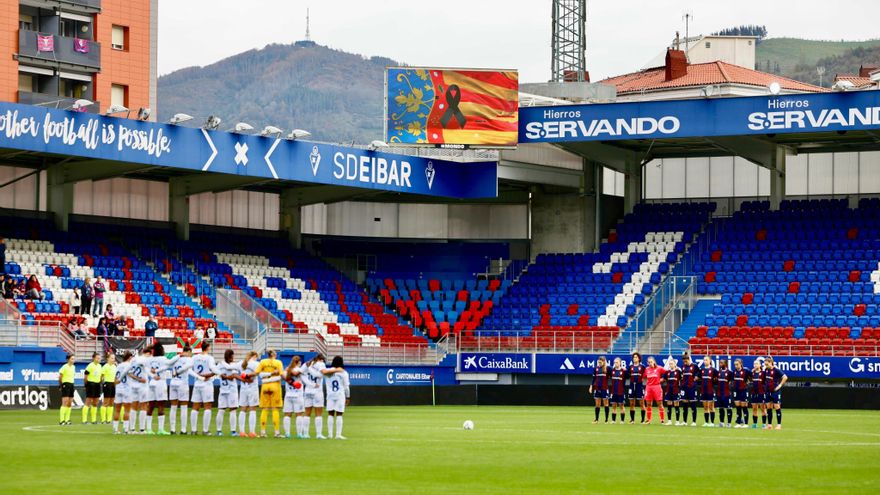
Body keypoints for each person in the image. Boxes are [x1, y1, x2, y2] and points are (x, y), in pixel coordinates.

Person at [190, 341, 218, 435]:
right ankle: (205, 430)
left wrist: (198, 375)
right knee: (207, 407)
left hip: (197, 383)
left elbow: (189, 368)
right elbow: (213, 369)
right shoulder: (210, 358)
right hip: (207, 384)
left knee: (195, 407)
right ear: (208, 347)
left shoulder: (195, 357)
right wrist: (216, 372)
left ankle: (193, 430)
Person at [255, 349, 284, 438]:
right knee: (275, 409)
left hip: (265, 386)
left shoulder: (263, 362)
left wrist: (267, 377)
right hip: (275, 386)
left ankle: (263, 432)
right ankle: (276, 432)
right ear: (274, 354)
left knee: (265, 409)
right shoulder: (278, 362)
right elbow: (281, 375)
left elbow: (257, 373)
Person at [146, 342, 173, 435]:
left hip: (152, 382)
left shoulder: (150, 359)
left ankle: (148, 429)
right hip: (160, 382)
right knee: (161, 406)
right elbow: (170, 364)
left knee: (150, 406)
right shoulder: (163, 359)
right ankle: (160, 429)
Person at [168, 345, 194, 434]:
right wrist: (178, 372)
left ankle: (172, 429)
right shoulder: (189, 359)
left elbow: (168, 363)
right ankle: (183, 429)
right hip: (182, 384)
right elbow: (187, 367)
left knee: (173, 407)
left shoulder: (176, 358)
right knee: (184, 406)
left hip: (173, 383)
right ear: (189, 352)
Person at [127, 346, 153, 434]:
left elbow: (128, 373)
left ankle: (132, 429)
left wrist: (136, 378)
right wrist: (140, 379)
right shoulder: (145, 360)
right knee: (143, 406)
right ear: (148, 353)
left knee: (133, 406)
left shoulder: (133, 360)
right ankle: (142, 429)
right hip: (142, 386)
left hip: (133, 385)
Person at [216, 349, 240, 436]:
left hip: (223, 389)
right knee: (233, 410)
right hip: (231, 390)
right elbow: (232, 377)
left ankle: (219, 431)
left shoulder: (220, 364)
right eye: (233, 355)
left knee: (221, 410)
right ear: (231, 356)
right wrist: (226, 377)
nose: (234, 357)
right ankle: (233, 431)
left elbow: (215, 372)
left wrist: (222, 376)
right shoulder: (233, 365)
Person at [325, 356, 350, 440]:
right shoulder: (344, 373)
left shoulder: (328, 372)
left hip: (330, 395)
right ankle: (338, 435)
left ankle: (330, 434)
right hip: (340, 395)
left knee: (330, 414)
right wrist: (348, 397)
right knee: (339, 414)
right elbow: (346, 387)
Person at [238, 351, 260, 438]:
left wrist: (243, 378)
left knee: (243, 409)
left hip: (243, 389)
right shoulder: (256, 364)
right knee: (252, 410)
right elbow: (258, 373)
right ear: (254, 356)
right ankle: (252, 432)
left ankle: (242, 432)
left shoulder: (241, 363)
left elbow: (234, 372)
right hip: (252, 388)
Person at [282, 356, 305, 438]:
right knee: (299, 414)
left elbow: (283, 376)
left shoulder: (286, 370)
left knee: (287, 415)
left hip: (288, 395)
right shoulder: (299, 370)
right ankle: (299, 434)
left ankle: (287, 433)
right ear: (298, 362)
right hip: (298, 395)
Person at [763, 357, 788, 430]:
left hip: (775, 391)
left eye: (767, 364)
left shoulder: (776, 370)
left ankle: (779, 425)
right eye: (765, 364)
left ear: (771, 363)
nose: (766, 365)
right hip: (768, 391)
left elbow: (785, 377)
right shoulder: (766, 370)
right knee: (769, 408)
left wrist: (779, 385)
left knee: (777, 407)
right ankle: (769, 425)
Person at [113, 352, 133, 434]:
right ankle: (125, 429)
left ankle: (115, 429)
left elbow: (115, 379)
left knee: (117, 410)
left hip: (118, 389)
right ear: (129, 357)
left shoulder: (118, 366)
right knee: (127, 410)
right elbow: (131, 376)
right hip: (127, 389)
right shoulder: (129, 366)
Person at [643, 356, 666, 425]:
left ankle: (662, 420)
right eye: (649, 362)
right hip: (649, 387)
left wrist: (662, 379)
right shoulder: (647, 369)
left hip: (657, 387)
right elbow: (643, 376)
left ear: (654, 361)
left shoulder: (659, 368)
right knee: (648, 404)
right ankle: (648, 420)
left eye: (651, 362)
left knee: (659, 403)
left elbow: (667, 373)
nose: (650, 363)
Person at [589, 356, 611, 424]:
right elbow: (593, 379)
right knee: (597, 404)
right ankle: (596, 419)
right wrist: (591, 386)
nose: (599, 363)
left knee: (606, 404)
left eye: (600, 362)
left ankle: (606, 420)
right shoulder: (596, 368)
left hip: (605, 389)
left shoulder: (608, 368)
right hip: (597, 388)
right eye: (598, 362)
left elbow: (613, 374)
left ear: (604, 362)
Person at [626, 352, 646, 424]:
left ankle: (643, 420)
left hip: (639, 386)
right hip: (632, 386)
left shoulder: (642, 367)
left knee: (641, 403)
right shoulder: (630, 367)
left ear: (639, 358)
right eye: (634, 357)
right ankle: (632, 420)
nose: (635, 358)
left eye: (636, 357)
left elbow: (646, 374)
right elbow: (627, 375)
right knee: (631, 403)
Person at [679, 354, 699, 426]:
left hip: (692, 387)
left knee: (693, 404)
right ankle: (684, 421)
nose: (685, 362)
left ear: (689, 359)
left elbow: (699, 373)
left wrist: (696, 377)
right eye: (684, 361)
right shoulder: (683, 367)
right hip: (684, 388)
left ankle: (694, 422)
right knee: (684, 404)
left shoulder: (694, 366)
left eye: (686, 361)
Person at [83, 352, 102, 424]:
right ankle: (84, 420)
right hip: (91, 384)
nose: (99, 359)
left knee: (95, 402)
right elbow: (85, 376)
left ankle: (93, 420)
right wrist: (86, 385)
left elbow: (100, 376)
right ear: (93, 358)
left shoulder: (100, 366)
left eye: (99, 358)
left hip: (97, 384)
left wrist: (100, 382)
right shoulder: (90, 366)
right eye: (97, 358)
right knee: (88, 401)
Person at [732, 358, 752, 428]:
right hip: (736, 391)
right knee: (738, 407)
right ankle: (738, 422)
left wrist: (749, 381)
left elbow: (752, 376)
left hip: (744, 390)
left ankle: (746, 424)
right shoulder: (734, 372)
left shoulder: (746, 370)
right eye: (735, 365)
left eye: (737, 364)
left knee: (744, 407)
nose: (736, 366)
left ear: (741, 364)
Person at [700, 356, 718, 427]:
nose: (705, 361)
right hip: (703, 391)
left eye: (706, 360)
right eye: (704, 360)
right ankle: (706, 422)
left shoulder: (713, 370)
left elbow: (718, 378)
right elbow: (698, 378)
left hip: (711, 391)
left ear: (710, 361)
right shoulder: (702, 370)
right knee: (705, 407)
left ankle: (712, 423)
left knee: (711, 407)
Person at [663, 358, 682, 426]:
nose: (671, 365)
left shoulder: (678, 372)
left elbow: (682, 379)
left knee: (676, 405)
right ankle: (669, 420)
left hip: (676, 391)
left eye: (672, 363)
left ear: (675, 364)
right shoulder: (667, 372)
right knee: (669, 405)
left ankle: (677, 421)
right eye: (670, 364)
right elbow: (663, 379)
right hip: (668, 391)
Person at [58, 354, 75, 425]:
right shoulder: (64, 367)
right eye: (72, 359)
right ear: (68, 359)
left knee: (69, 403)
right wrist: (61, 385)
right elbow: (60, 377)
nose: (73, 360)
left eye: (74, 359)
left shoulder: (74, 367)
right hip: (66, 384)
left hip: (71, 384)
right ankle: (62, 420)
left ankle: (67, 419)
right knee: (64, 402)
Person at [99, 353, 117, 425]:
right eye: (112, 358)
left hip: (113, 384)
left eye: (114, 358)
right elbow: (101, 376)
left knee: (111, 402)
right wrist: (103, 383)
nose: (113, 359)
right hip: (107, 384)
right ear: (108, 359)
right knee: (106, 402)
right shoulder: (105, 366)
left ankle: (109, 420)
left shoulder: (114, 366)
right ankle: (103, 420)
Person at [750, 359, 767, 429]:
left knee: (763, 409)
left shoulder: (763, 373)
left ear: (760, 365)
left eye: (757, 364)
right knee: (754, 409)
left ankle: (764, 424)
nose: (755, 365)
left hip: (761, 393)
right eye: (754, 364)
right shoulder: (752, 373)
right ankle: (754, 424)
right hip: (754, 393)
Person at [716, 359, 734, 428]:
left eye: (722, 363)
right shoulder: (719, 372)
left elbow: (732, 382)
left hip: (726, 393)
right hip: (719, 393)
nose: (720, 364)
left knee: (728, 408)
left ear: (725, 364)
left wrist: (730, 388)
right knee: (721, 408)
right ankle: (721, 422)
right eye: (720, 363)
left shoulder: (729, 372)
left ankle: (729, 423)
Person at [609, 357, 627, 424]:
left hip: (621, 391)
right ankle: (613, 420)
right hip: (613, 391)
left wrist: (625, 370)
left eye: (617, 362)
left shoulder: (623, 371)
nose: (615, 363)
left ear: (620, 363)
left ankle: (622, 421)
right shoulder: (612, 371)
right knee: (613, 406)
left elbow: (629, 376)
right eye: (614, 362)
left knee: (621, 406)